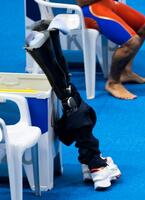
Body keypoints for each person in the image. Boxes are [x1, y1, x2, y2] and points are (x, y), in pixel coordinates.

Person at [26, 19, 121, 190]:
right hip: (74, 110)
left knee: (70, 95)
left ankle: (90, 162)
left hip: (71, 105)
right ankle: (96, 166)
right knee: (74, 102)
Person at [77, 0, 145, 100]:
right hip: (88, 8)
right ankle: (113, 83)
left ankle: (126, 72)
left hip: (104, 3)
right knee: (132, 43)